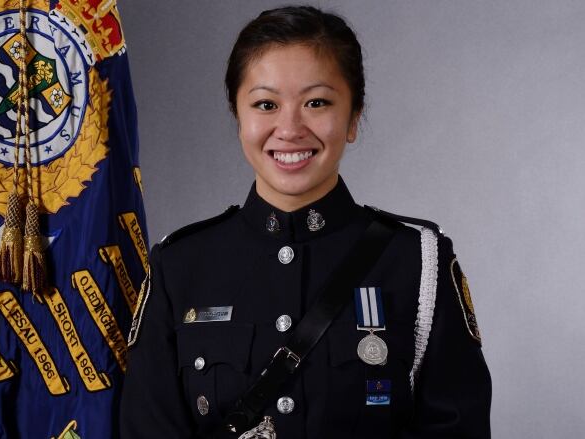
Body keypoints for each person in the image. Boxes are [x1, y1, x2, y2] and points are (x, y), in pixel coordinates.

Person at [120, 6, 491, 438]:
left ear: (353, 118)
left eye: (317, 102)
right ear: (238, 118)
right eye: (265, 104)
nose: (290, 128)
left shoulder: (417, 260)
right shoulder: (180, 266)